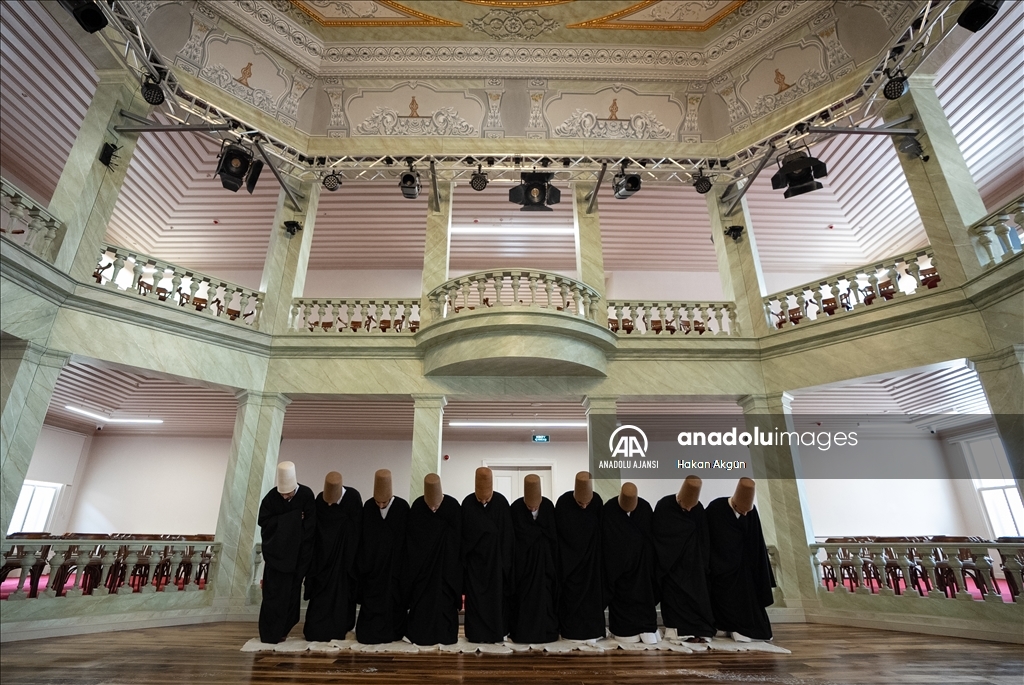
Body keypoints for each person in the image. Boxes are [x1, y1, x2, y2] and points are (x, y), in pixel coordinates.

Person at [705, 477, 775, 642]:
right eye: (741, 511)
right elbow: (708, 539)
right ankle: (724, 625)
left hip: (743, 568)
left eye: (746, 512)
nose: (744, 514)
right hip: (720, 567)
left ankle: (741, 628)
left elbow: (755, 541)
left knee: (749, 604)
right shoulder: (716, 508)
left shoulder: (751, 512)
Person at [257, 461, 315, 644]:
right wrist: (293, 518)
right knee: (272, 598)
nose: (284, 497)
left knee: (291, 597)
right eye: (282, 494)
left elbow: (311, 528)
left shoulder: (306, 495)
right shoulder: (271, 498)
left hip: (297, 559)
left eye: (288, 494)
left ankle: (283, 631)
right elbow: (264, 524)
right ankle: (269, 634)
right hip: (275, 560)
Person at [652, 475, 715, 642]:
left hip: (694, 566)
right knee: (674, 599)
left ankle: (699, 629)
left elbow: (704, 538)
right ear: (679, 498)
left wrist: (703, 564)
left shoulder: (698, 509)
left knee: (698, 599)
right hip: (671, 566)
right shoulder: (665, 506)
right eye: (685, 506)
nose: (688, 510)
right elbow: (659, 536)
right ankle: (679, 630)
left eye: (691, 507)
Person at [302, 471, 362, 642]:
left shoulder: (352, 497)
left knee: (341, 598)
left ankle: (340, 628)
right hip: (322, 561)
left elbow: (356, 531)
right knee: (320, 600)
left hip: (343, 562)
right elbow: (316, 528)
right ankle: (316, 630)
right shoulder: (320, 500)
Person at [405, 473, 462, 646]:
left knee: (444, 603)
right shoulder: (417, 507)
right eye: (430, 505)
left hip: (446, 569)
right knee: (423, 604)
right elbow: (413, 541)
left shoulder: (452, 507)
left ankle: (445, 634)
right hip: (423, 569)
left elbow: (458, 540)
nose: (433, 507)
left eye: (436, 505)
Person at [356, 469, 409, 644]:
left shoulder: (401, 507)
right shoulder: (369, 507)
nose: (380, 506)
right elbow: (364, 539)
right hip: (373, 569)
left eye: (384, 502)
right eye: (378, 502)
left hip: (395, 569)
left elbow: (405, 541)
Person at [461, 467, 513, 643]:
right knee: (475, 602)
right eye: (480, 498)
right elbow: (463, 536)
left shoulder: (501, 503)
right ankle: (475, 634)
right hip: (475, 565)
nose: (483, 500)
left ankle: (496, 633)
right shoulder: (468, 503)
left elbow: (507, 537)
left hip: (495, 564)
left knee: (496, 601)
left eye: (487, 498)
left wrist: (505, 566)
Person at [603, 482, 658, 644]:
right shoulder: (609, 511)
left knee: (649, 632)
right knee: (626, 635)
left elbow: (650, 541)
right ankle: (624, 628)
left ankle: (645, 626)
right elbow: (608, 544)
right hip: (619, 574)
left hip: (643, 573)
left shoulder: (645, 509)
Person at [554, 471, 605, 641]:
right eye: (580, 503)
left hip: (591, 565)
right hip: (569, 565)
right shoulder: (563, 503)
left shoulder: (597, 502)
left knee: (591, 601)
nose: (584, 506)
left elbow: (600, 533)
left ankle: (592, 632)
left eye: (587, 503)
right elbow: (560, 536)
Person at [509, 474, 559, 644]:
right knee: (524, 600)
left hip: (545, 566)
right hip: (524, 567)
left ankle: (546, 633)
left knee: (545, 599)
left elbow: (553, 536)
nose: (532, 509)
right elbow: (515, 539)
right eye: (529, 506)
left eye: (535, 506)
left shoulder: (548, 507)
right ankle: (523, 633)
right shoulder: (516, 508)